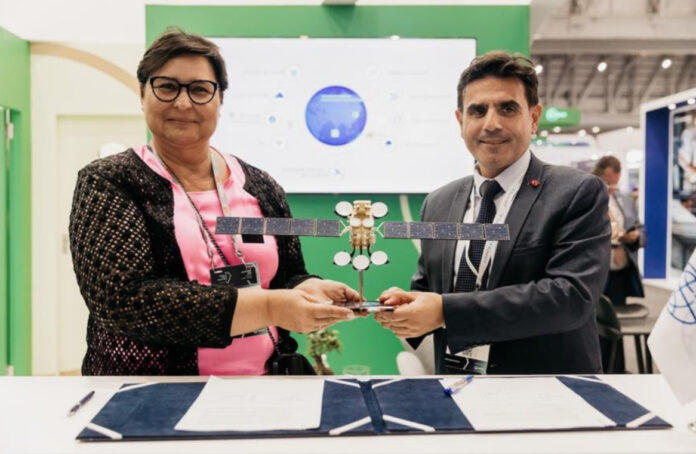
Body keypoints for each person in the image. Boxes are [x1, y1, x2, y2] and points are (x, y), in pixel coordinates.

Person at [69, 30, 358, 376]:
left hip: (262, 387)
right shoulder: (111, 181)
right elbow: (123, 302)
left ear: (219, 99)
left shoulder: (261, 185)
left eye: (200, 89)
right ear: (142, 93)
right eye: (167, 87)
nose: (183, 103)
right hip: (150, 394)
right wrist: (268, 307)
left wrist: (306, 288)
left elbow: (286, 274)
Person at [375, 51, 611, 375]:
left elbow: (570, 297)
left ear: (534, 117)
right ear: (461, 121)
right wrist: (406, 307)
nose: (492, 124)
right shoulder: (438, 204)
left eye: (507, 108)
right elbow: (428, 285)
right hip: (456, 383)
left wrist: (445, 311)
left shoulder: (576, 193)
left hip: (546, 389)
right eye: (478, 110)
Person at [592, 156, 645, 307]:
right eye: (607, 182)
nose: (612, 187)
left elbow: (640, 229)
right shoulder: (585, 199)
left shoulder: (626, 200)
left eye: (615, 183)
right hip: (596, 267)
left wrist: (635, 236)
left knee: (619, 309)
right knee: (597, 312)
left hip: (621, 267)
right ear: (596, 175)